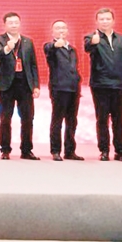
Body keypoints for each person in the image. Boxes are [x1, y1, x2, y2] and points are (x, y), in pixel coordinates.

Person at [84, 8, 122, 162]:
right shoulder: (91, 37)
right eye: (101, 19)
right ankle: (104, 150)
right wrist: (93, 43)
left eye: (107, 19)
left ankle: (120, 151)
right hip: (100, 85)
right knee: (102, 119)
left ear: (113, 21)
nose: (105, 22)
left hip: (119, 85)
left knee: (119, 119)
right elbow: (87, 48)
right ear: (96, 21)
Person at [0, 12, 41, 160]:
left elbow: (33, 65)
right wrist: (8, 48)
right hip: (6, 85)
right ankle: (5, 150)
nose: (14, 25)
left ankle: (26, 150)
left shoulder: (27, 41)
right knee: (5, 118)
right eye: (10, 23)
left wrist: (35, 85)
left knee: (28, 118)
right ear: (5, 25)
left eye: (16, 22)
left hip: (25, 85)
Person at [45, 20, 83, 162]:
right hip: (59, 88)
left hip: (73, 89)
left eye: (63, 28)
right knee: (57, 120)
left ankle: (70, 151)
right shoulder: (50, 47)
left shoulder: (72, 49)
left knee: (72, 121)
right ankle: (55, 150)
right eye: (57, 28)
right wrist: (55, 45)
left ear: (67, 31)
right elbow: (49, 49)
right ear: (52, 32)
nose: (61, 30)